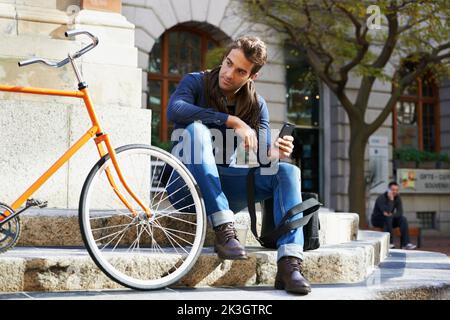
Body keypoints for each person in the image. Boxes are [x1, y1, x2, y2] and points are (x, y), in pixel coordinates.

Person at [166, 36, 311, 295]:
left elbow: (264, 158)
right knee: (197, 131)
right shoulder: (195, 82)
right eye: (228, 63)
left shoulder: (257, 105)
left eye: (240, 71)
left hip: (227, 188)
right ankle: (224, 230)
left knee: (288, 171)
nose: (229, 73)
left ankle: (290, 263)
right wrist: (231, 120)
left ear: (252, 76)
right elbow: (174, 110)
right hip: (184, 188)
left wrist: (275, 152)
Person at [371, 181, 417, 250]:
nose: (395, 192)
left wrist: (391, 215)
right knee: (388, 218)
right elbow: (387, 211)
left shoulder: (397, 198)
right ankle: (389, 243)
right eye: (393, 190)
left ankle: (406, 244)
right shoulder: (381, 198)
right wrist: (391, 200)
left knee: (402, 219)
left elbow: (400, 212)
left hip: (389, 219)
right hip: (378, 220)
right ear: (388, 190)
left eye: (396, 190)